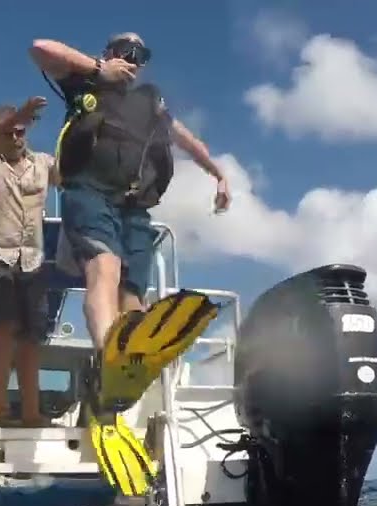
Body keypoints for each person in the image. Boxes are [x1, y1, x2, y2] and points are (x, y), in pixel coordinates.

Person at [29, 32, 231, 355]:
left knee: (134, 296)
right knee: (104, 267)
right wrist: (99, 69)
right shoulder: (85, 83)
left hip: (133, 206)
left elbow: (188, 140)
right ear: (109, 51)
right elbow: (41, 49)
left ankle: (129, 367)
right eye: (126, 49)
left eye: (141, 54)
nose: (133, 59)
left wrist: (219, 174)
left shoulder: (149, 102)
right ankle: (108, 356)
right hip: (89, 192)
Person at [0, 99, 58, 427]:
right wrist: (12, 118)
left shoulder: (44, 164)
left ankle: (32, 412)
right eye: (9, 131)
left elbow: (74, 173)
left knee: (33, 336)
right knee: (3, 329)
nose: (17, 137)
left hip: (33, 259)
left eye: (21, 131)